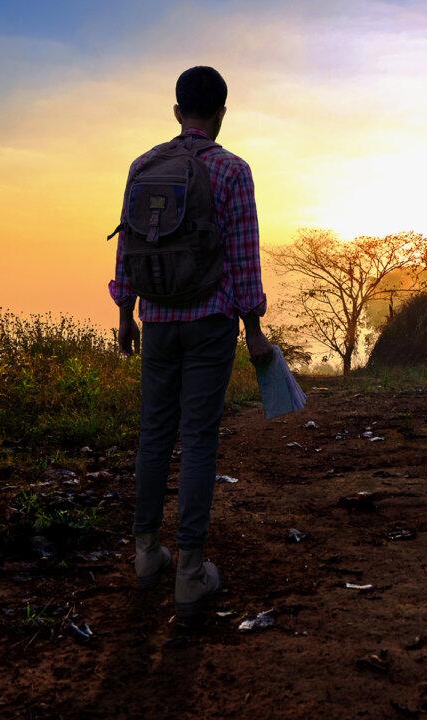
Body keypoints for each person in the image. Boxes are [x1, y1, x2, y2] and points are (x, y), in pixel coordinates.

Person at [108, 66, 272, 620]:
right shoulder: (232, 171)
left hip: (156, 319)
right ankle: (191, 572)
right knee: (198, 438)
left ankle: (146, 554)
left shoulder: (143, 166)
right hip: (210, 322)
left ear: (177, 111)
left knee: (154, 433)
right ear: (222, 112)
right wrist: (255, 333)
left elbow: (129, 244)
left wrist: (126, 314)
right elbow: (244, 262)